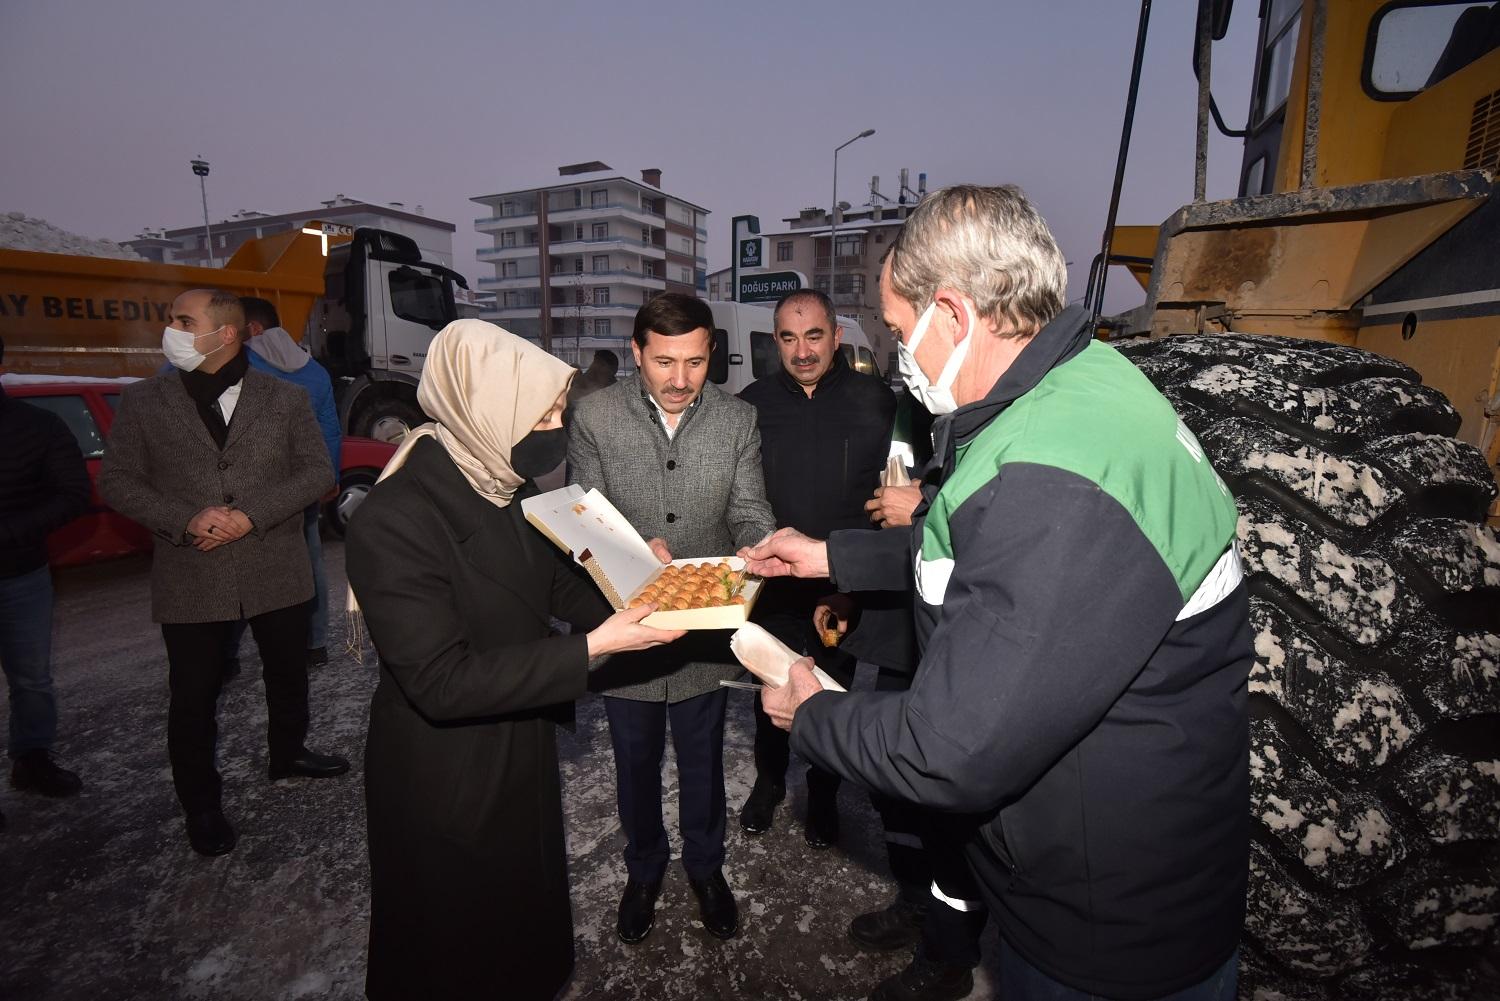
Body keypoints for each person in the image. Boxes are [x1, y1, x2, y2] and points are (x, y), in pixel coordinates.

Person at [745, 185, 1251, 1001]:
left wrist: (812, 713)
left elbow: (948, 749)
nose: (899, 354)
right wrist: (829, 555)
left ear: (952, 313)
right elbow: (974, 542)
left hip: (1107, 930)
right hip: (1132, 866)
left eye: (899, 331)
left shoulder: (1050, 479)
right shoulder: (1077, 391)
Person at [345, 319, 683, 1001]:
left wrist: (642, 585)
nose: (556, 428)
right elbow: (440, 681)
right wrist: (593, 647)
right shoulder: (396, 518)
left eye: (559, 412)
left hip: (517, 735)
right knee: (459, 943)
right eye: (545, 413)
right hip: (445, 770)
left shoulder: (505, 486)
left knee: (520, 923)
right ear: (485, 406)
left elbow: (556, 585)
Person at [99, 288, 348, 858]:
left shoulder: (285, 398)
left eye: (184, 321)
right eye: (172, 319)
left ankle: (289, 753)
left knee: (288, 675)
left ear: (226, 333)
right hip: (192, 574)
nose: (172, 329)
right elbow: (118, 481)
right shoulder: (144, 401)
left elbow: (317, 472)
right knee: (193, 697)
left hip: (275, 567)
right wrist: (186, 519)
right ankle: (202, 806)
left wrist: (250, 515)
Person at [568, 292, 775, 944]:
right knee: (634, 764)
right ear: (637, 353)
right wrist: (633, 549)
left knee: (702, 760)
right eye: (664, 362)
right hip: (627, 627)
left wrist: (757, 547)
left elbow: (750, 508)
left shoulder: (738, 419)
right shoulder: (595, 415)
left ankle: (706, 868)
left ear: (712, 351)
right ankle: (644, 869)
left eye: (695, 361)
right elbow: (583, 518)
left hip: (703, 630)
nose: (681, 379)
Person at [737, 288, 894, 847]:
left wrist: (858, 582)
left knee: (831, 691)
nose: (802, 351)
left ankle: (824, 795)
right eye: (789, 338)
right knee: (769, 685)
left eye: (814, 336)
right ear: (775, 341)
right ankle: (769, 780)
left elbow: (896, 498)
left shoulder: (878, 401)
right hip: (773, 582)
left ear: (836, 337)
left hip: (841, 584)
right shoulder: (751, 404)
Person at [0, 335, 90, 832]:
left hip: (21, 574)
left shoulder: (37, 425)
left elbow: (73, 493)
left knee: (32, 678)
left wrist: (11, 532)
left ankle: (32, 758)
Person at [237, 296, 341, 669]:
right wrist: (330, 476)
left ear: (252, 328)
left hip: (249, 486)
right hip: (302, 484)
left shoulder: (239, 364)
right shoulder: (313, 369)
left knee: (235, 568)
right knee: (310, 562)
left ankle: (225, 653)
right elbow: (329, 429)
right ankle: (315, 642)